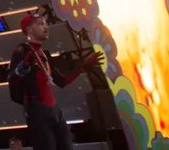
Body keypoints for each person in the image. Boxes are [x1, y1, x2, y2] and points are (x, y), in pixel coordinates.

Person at [7, 11, 104, 150]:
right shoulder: (22, 50)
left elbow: (62, 81)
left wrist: (82, 68)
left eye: (46, 23)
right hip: (37, 110)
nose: (46, 27)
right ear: (29, 29)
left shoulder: (44, 54)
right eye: (40, 24)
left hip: (54, 111)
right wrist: (25, 65)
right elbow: (13, 79)